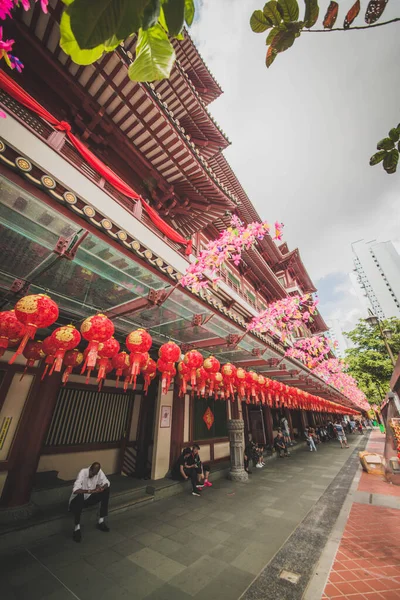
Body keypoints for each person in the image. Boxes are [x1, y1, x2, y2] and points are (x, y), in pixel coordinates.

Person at [69, 462, 110, 543]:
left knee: (107, 489)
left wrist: (101, 488)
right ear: (90, 469)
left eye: (95, 474)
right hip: (77, 501)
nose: (93, 475)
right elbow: (75, 490)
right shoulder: (83, 472)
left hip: (89, 499)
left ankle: (101, 521)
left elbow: (107, 482)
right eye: (92, 473)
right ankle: (76, 528)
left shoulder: (99, 472)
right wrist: (89, 490)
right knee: (80, 495)